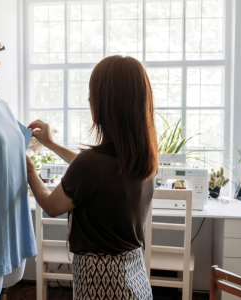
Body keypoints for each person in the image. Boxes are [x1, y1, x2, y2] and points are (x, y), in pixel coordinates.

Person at [27, 55, 158, 300]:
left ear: (108, 104)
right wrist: (51, 144)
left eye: (93, 94)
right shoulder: (143, 159)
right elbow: (93, 170)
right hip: (135, 278)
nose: (89, 100)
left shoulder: (93, 164)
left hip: (103, 281)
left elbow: (51, 205)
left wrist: (29, 171)